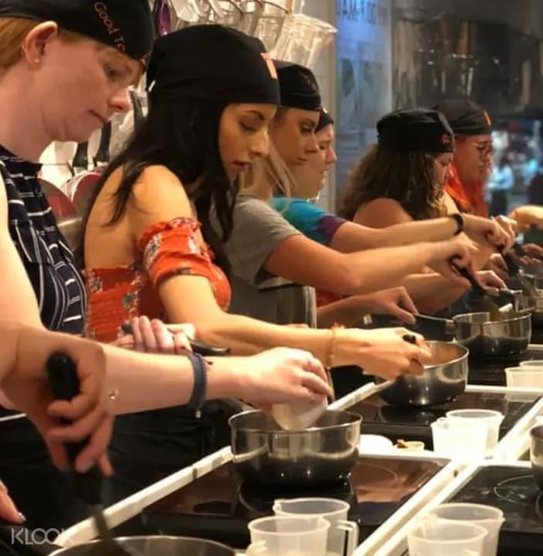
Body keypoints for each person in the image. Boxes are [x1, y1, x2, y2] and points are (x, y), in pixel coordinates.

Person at [0, 4, 330, 528]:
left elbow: (25, 355)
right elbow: (23, 361)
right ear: (39, 44)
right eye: (111, 71)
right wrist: (239, 372)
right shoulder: (144, 181)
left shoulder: (17, 182)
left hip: (48, 471)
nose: (118, 101)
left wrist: (115, 353)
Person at [81, 26, 431, 499]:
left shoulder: (173, 188)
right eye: (250, 124)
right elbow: (203, 325)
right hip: (139, 438)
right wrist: (349, 346)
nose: (263, 146)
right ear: (196, 112)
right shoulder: (152, 182)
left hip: (164, 422)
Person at [238, 64, 511, 320]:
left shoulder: (271, 207)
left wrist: (357, 309)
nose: (319, 151)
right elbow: (357, 265)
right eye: (250, 124)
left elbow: (294, 323)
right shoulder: (271, 210)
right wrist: (439, 246)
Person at [434, 98, 543, 232]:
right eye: (481, 148)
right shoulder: (434, 198)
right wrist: (518, 217)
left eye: (490, 150)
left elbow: (479, 242)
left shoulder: (469, 192)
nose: (488, 159)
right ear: (450, 146)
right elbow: (468, 248)